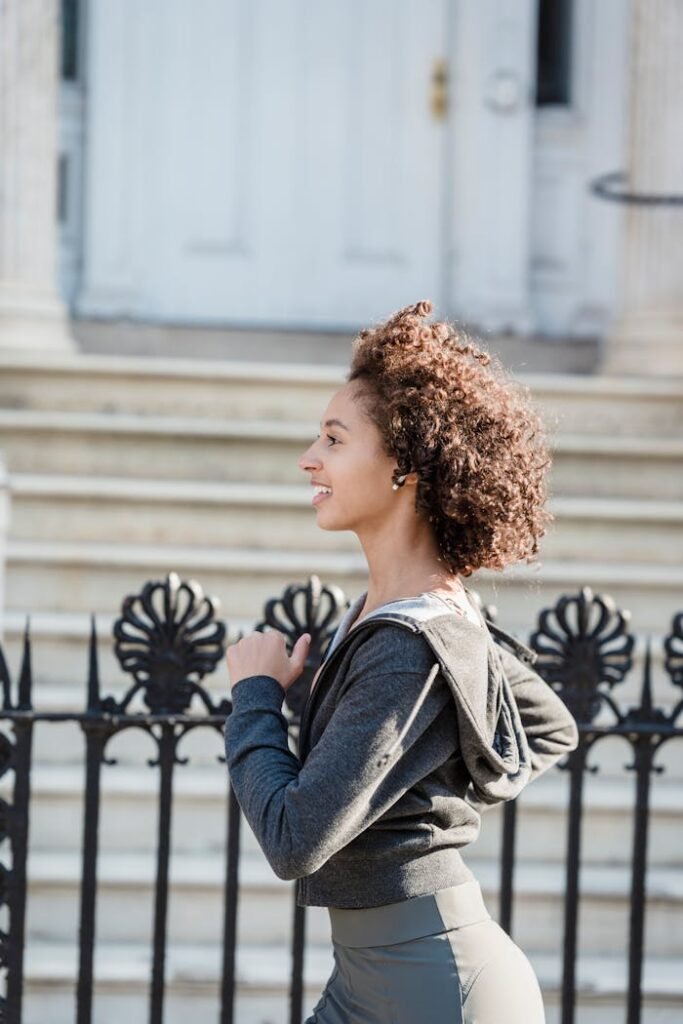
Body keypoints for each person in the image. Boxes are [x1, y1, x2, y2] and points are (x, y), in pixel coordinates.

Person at [224, 300, 579, 1023]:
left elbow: (294, 839)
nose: (308, 457)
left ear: (405, 466)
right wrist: (419, 785)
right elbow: (549, 728)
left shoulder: (409, 642)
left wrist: (255, 695)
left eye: (333, 437)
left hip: (433, 985)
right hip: (373, 978)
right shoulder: (425, 618)